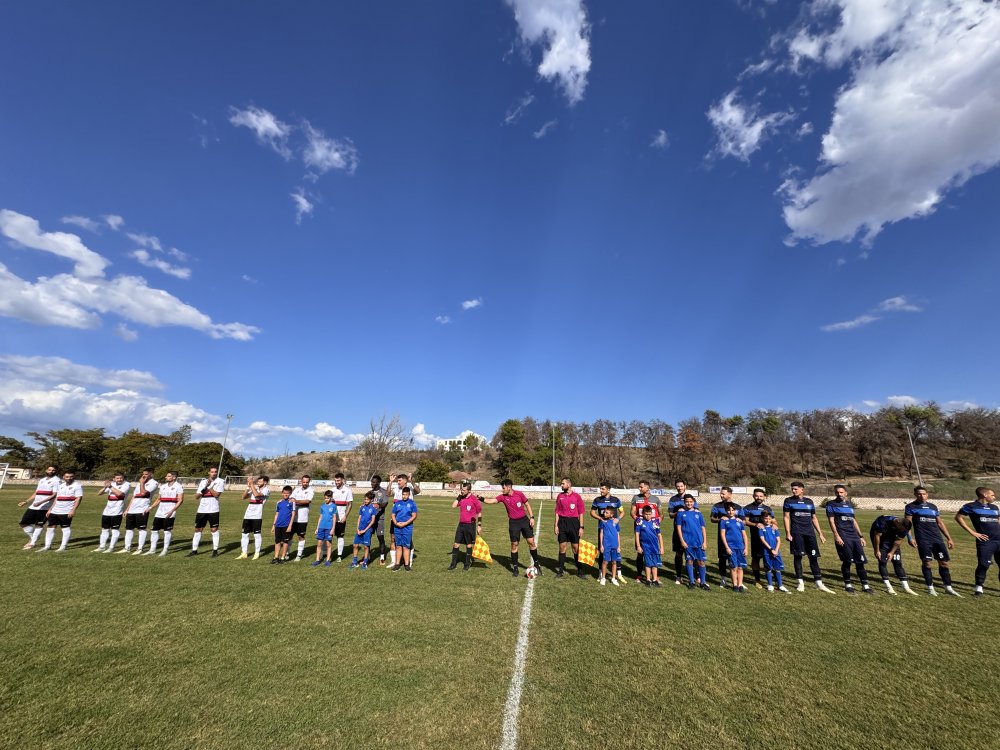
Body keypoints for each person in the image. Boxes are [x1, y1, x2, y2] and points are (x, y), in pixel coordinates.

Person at [905, 486, 959, 596]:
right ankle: (930, 588)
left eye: (924, 494)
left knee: (944, 563)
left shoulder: (933, 507)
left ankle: (948, 587)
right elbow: (907, 524)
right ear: (915, 495)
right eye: (919, 494)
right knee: (927, 562)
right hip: (923, 539)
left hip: (937, 539)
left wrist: (949, 538)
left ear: (927, 494)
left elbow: (940, 523)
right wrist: (910, 538)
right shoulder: (910, 507)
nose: (922, 496)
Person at [782, 482, 834, 593]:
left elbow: (814, 518)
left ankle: (819, 583)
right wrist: (788, 533)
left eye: (796, 489)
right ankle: (800, 582)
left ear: (802, 490)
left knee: (813, 557)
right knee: (798, 557)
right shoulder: (788, 501)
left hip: (810, 534)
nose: (793, 491)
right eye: (792, 489)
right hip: (797, 533)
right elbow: (786, 517)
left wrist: (820, 533)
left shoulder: (809, 502)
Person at [483, 479, 541, 577]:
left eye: (503, 487)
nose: (502, 490)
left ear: (509, 487)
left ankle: (536, 564)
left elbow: (527, 504)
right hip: (513, 523)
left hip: (524, 521)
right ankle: (515, 568)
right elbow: (491, 501)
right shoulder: (503, 497)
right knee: (514, 544)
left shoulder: (519, 494)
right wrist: (480, 498)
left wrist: (532, 517)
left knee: (531, 542)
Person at [825, 485, 873, 594]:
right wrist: (836, 535)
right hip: (843, 535)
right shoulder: (831, 504)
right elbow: (831, 521)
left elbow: (854, 521)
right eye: (837, 492)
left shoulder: (849, 505)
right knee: (847, 561)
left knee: (860, 561)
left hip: (854, 536)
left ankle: (865, 586)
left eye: (841, 492)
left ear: (846, 493)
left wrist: (860, 536)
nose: (839, 494)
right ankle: (848, 585)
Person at [955, 487, 1000, 598]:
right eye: (992, 495)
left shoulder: (994, 507)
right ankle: (979, 589)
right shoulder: (970, 506)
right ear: (985, 495)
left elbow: (998, 520)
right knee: (984, 565)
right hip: (985, 541)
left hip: (999, 540)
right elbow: (958, 517)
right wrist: (973, 532)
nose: (994, 497)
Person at [869, 515, 918, 595]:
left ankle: (906, 587)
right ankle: (889, 587)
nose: (902, 531)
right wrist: (877, 550)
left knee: (897, 562)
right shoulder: (883, 521)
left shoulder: (904, 528)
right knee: (882, 561)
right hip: (881, 538)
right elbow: (877, 536)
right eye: (901, 529)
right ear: (898, 523)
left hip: (892, 538)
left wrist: (892, 552)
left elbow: (898, 540)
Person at [40, 470, 83, 552]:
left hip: (66, 511)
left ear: (74, 477)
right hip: (55, 510)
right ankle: (47, 546)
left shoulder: (77, 486)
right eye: (67, 477)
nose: (69, 478)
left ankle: (63, 546)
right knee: (50, 527)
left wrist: (73, 510)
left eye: (71, 477)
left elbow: (78, 498)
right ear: (63, 477)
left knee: (65, 528)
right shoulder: (61, 485)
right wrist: (50, 509)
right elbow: (57, 498)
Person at [18, 465, 59, 550]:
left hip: (45, 507)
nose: (51, 471)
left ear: (56, 471)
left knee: (39, 525)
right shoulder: (42, 480)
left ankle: (32, 543)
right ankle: (33, 537)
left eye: (53, 470)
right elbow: (37, 492)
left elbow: (55, 494)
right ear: (46, 470)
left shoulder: (57, 481)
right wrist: (26, 501)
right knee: (23, 523)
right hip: (34, 506)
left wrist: (41, 502)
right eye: (49, 470)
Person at [188, 467, 225, 558]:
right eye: (212, 472)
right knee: (198, 529)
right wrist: (203, 489)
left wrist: (209, 487)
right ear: (209, 472)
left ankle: (215, 550)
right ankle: (194, 550)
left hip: (213, 509)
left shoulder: (220, 481)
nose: (214, 473)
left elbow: (216, 494)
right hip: (202, 509)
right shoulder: (203, 482)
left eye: (215, 472)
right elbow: (196, 497)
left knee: (214, 529)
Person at [590, 482, 625, 580]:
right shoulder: (597, 500)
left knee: (616, 550)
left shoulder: (616, 500)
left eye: (602, 489)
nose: (600, 491)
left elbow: (622, 512)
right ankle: (601, 573)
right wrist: (600, 518)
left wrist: (618, 519)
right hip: (602, 529)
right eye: (600, 489)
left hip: (613, 529)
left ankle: (619, 573)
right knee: (602, 550)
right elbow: (592, 512)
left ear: (608, 490)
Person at [710, 487, 743, 588]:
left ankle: (738, 581)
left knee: (737, 559)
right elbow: (712, 518)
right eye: (721, 493)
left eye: (723, 494)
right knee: (723, 558)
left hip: (736, 539)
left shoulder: (737, 506)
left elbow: (743, 520)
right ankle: (723, 578)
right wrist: (720, 518)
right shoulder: (716, 506)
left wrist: (737, 519)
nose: (721, 495)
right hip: (723, 537)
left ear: (729, 494)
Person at [675, 493, 709, 590]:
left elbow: (703, 528)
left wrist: (705, 541)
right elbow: (679, 527)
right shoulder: (681, 513)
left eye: (691, 502)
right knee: (689, 561)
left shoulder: (698, 513)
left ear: (694, 502)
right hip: (688, 542)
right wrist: (682, 541)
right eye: (687, 502)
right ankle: (691, 582)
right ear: (684, 502)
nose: (689, 503)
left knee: (701, 562)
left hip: (699, 542)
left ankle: (703, 582)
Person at [554, 477, 586, 579]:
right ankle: (560, 570)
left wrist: (581, 527)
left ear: (569, 484)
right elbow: (557, 512)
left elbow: (581, 513)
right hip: (562, 523)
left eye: (563, 483)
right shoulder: (560, 496)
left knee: (575, 548)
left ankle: (580, 570)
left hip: (574, 523)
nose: (561, 485)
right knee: (562, 546)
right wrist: (556, 525)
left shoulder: (577, 497)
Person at [146, 471, 183, 556]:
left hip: (169, 512)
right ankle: (152, 549)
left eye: (168, 476)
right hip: (159, 512)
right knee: (154, 530)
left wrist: (172, 511)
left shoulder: (178, 486)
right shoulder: (162, 486)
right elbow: (159, 499)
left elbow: (180, 500)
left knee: (167, 531)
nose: (166, 477)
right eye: (166, 476)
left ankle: (165, 549)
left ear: (174, 477)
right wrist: (150, 507)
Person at [121, 469, 157, 555]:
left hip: (142, 509)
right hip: (132, 509)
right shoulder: (139, 483)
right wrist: (127, 509)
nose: (144, 476)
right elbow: (134, 497)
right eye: (143, 474)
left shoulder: (154, 483)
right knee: (129, 529)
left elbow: (143, 493)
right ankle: (127, 547)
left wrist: (142, 483)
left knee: (141, 529)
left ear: (151, 474)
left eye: (146, 474)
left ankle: (140, 548)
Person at [667, 480, 697, 585]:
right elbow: (671, 515)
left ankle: (696, 576)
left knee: (694, 553)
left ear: (685, 486)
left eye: (681, 486)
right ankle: (679, 576)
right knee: (679, 554)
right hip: (678, 531)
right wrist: (677, 512)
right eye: (677, 486)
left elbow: (695, 512)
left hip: (691, 531)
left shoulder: (691, 498)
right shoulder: (673, 499)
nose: (679, 488)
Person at [630, 480, 660, 582]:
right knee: (640, 552)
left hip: (652, 529)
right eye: (639, 487)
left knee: (654, 552)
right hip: (641, 529)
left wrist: (658, 521)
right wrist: (636, 518)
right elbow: (632, 511)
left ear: (647, 487)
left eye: (641, 487)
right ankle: (639, 574)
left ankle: (655, 577)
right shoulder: (636, 498)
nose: (639, 488)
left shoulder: (655, 499)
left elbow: (661, 514)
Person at [742, 488, 772, 588]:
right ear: (753, 496)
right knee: (756, 558)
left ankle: (770, 580)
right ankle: (757, 579)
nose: (758, 497)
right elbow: (745, 521)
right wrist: (756, 524)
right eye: (756, 496)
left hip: (768, 538)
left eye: (760, 496)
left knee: (768, 558)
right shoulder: (747, 508)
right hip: (755, 537)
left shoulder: (768, 509)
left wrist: (775, 524)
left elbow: (774, 521)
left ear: (764, 497)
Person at [449, 481, 482, 571]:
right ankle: (453, 564)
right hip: (461, 525)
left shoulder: (474, 499)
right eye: (461, 489)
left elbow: (479, 513)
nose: (462, 491)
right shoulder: (462, 498)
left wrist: (479, 525)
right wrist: (459, 496)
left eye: (464, 490)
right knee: (456, 544)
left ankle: (467, 564)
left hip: (470, 525)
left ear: (469, 491)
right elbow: (453, 505)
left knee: (468, 545)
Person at [95, 472, 131, 553]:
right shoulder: (112, 484)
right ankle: (102, 546)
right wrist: (105, 487)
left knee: (115, 530)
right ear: (114, 479)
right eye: (117, 478)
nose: (119, 479)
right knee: (104, 529)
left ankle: (111, 547)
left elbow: (120, 493)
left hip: (117, 511)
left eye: (121, 478)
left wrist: (110, 486)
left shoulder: (127, 484)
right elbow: (99, 493)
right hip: (107, 511)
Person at [238, 475, 269, 560]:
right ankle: (244, 553)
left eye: (260, 481)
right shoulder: (254, 488)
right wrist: (248, 488)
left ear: (265, 482)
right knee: (244, 534)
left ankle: (257, 553)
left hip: (257, 516)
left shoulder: (266, 490)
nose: (258, 483)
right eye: (257, 481)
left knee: (257, 535)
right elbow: (243, 497)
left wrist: (252, 484)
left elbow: (257, 495)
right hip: (247, 515)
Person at [720, 502, 749, 593]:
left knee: (740, 567)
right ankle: (735, 585)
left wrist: (746, 548)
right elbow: (723, 534)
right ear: (726, 511)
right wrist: (727, 547)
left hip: (740, 547)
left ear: (735, 511)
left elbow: (744, 536)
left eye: (733, 510)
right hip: (731, 547)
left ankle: (740, 584)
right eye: (728, 510)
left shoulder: (739, 521)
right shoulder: (723, 521)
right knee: (733, 567)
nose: (731, 512)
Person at [758, 512, 791, 593]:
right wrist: (771, 549)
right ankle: (770, 585)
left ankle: (780, 585)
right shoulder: (761, 528)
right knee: (768, 568)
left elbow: (778, 540)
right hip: (767, 551)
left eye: (769, 519)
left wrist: (776, 550)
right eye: (766, 519)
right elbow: (763, 540)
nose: (767, 520)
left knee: (777, 569)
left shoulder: (774, 528)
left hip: (776, 552)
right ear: (762, 519)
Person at [390, 486, 418, 571]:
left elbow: (414, 516)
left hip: (407, 527)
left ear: (409, 495)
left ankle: (407, 565)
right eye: (403, 494)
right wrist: (395, 523)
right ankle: (397, 564)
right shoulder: (398, 503)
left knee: (406, 546)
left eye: (406, 494)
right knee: (398, 546)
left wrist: (405, 523)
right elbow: (393, 514)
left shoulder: (412, 503)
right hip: (397, 527)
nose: (404, 496)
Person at [635, 505, 663, 587]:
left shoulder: (655, 523)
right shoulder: (640, 522)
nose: (648, 516)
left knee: (654, 564)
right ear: (643, 514)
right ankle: (648, 579)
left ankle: (654, 579)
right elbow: (637, 534)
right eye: (646, 514)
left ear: (652, 514)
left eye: (649, 514)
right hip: (645, 546)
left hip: (655, 547)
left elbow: (659, 535)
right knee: (647, 564)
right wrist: (639, 546)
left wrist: (661, 547)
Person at [288, 475, 314, 561]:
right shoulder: (297, 489)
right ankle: (287, 552)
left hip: (303, 518)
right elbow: (290, 498)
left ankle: (299, 555)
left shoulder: (311, 490)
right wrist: (295, 500)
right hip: (293, 517)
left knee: (301, 536)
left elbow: (308, 501)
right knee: (289, 535)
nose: (305, 483)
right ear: (301, 481)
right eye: (304, 482)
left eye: (307, 482)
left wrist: (296, 501)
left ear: (309, 482)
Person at [350, 491, 378, 569]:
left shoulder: (373, 509)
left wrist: (365, 530)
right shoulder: (362, 507)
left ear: (371, 500)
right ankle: (354, 562)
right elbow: (359, 518)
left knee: (366, 547)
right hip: (359, 530)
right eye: (365, 499)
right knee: (355, 545)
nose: (365, 501)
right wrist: (358, 529)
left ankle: (365, 562)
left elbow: (372, 521)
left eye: (367, 499)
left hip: (367, 530)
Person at [330, 472, 353, 562]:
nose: (337, 482)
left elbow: (350, 504)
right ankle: (327, 554)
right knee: (329, 536)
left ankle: (339, 555)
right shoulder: (332, 490)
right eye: (335, 480)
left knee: (340, 536)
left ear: (342, 480)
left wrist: (345, 516)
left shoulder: (348, 490)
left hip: (341, 518)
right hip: (331, 518)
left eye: (338, 480)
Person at [369, 475, 390, 566]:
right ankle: (367, 556)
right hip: (370, 519)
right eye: (371, 482)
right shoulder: (370, 492)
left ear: (378, 483)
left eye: (374, 482)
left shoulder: (383, 492)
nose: (372, 483)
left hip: (379, 519)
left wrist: (378, 505)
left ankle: (382, 557)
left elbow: (385, 504)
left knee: (380, 538)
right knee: (367, 537)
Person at [271, 486, 295, 564]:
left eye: (287, 493)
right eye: (284, 493)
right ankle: (276, 557)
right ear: (282, 493)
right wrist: (274, 525)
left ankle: (283, 557)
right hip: (278, 525)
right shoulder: (279, 502)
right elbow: (276, 514)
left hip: (286, 526)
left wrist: (290, 525)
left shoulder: (292, 502)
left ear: (290, 494)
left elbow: (293, 514)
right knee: (277, 542)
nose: (286, 494)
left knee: (285, 542)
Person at [312, 491, 337, 567]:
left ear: (331, 497)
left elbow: (334, 518)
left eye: (328, 498)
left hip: (329, 528)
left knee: (328, 544)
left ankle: (328, 560)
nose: (326, 499)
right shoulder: (322, 506)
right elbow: (320, 517)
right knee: (319, 544)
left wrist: (333, 529)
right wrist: (317, 528)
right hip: (321, 527)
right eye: (325, 498)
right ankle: (317, 560)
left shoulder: (333, 506)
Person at [598, 507, 621, 586]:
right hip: (606, 545)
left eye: (606, 512)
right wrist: (601, 545)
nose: (604, 513)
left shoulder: (615, 522)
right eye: (604, 512)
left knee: (614, 562)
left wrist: (619, 546)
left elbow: (618, 534)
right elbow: (601, 533)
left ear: (611, 514)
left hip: (614, 545)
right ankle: (603, 578)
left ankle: (613, 578)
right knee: (605, 562)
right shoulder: (603, 522)